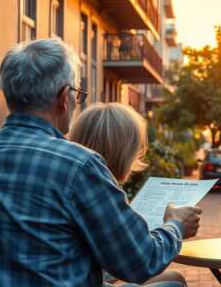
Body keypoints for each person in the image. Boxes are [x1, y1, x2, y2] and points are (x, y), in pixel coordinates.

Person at [0, 38, 201, 286]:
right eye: (78, 93)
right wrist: (175, 225)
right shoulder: (78, 166)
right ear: (65, 98)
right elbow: (140, 261)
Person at [70, 102, 192, 287]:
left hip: (84, 274)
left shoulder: (72, 176)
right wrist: (176, 224)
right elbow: (142, 262)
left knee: (175, 278)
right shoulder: (100, 191)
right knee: (174, 284)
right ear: (125, 151)